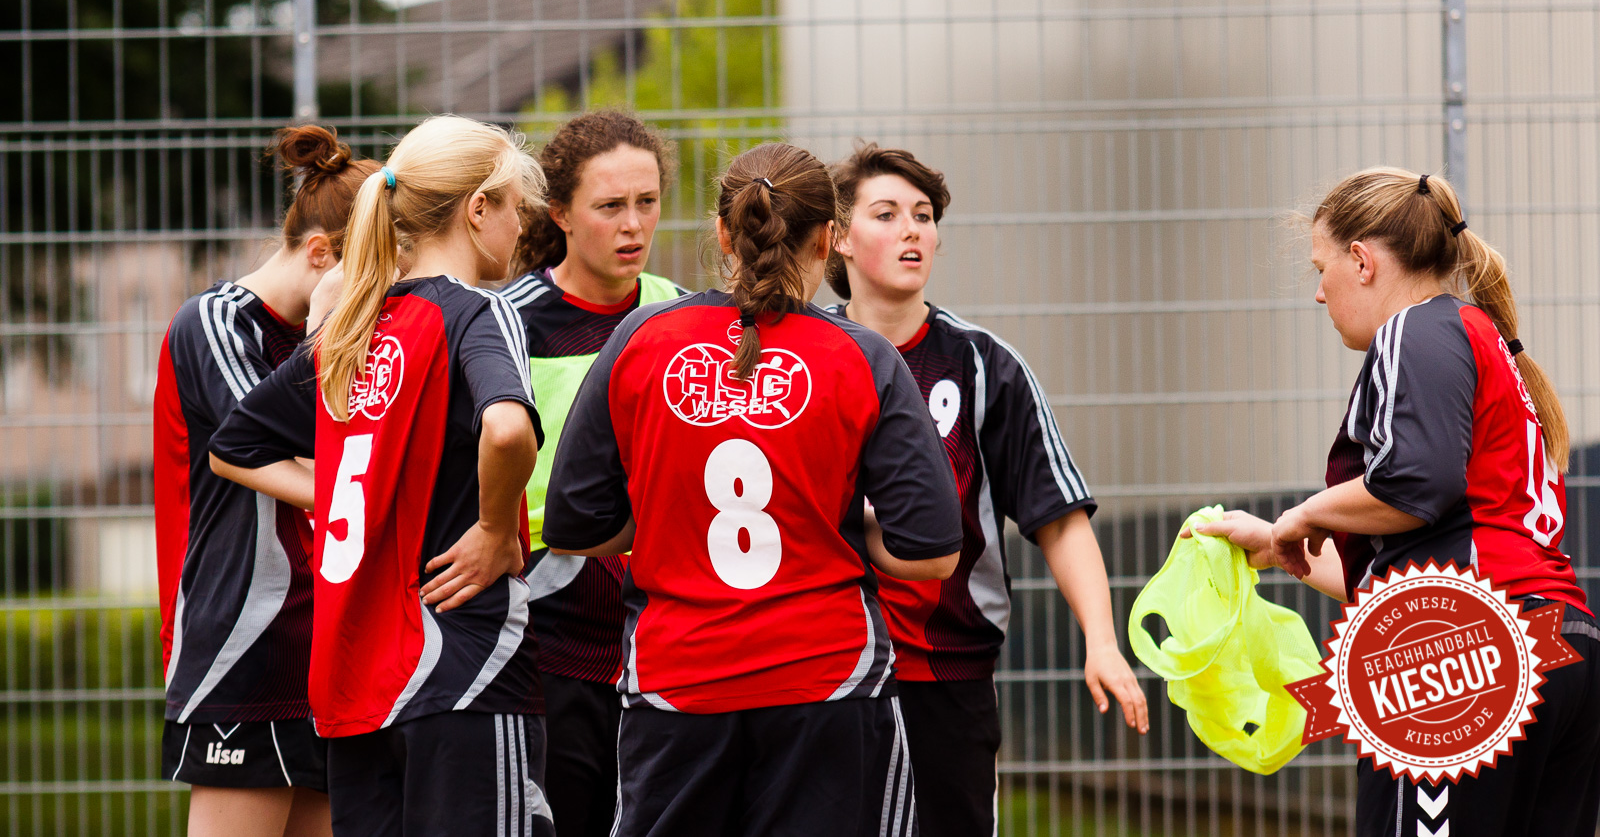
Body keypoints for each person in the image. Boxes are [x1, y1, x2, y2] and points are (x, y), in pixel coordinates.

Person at [542, 142, 963, 837]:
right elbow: (934, 551)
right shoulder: (863, 356)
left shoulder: (642, 338)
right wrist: (839, 524)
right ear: (829, 238)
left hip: (678, 681)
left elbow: (576, 525)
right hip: (825, 682)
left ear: (723, 232)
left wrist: (667, 515)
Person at [1191, 168, 1600, 837]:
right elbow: (1430, 538)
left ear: (1363, 260)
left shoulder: (1414, 329)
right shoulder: (1478, 337)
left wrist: (1308, 511)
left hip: (1466, 656)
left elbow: (1417, 483)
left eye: (1322, 269)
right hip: (1558, 641)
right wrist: (1277, 544)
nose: (1319, 293)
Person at [207, 115, 554, 837]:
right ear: (478, 208)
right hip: (462, 667)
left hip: (353, 681)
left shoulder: (354, 332)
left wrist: (340, 494)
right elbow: (508, 427)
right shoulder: (477, 311)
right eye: (516, 205)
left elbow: (233, 443)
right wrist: (494, 528)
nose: (522, 226)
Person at [826, 141, 1149, 837]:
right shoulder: (800, 356)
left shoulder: (983, 365)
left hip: (946, 670)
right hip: (823, 670)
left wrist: (1102, 637)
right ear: (838, 238)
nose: (913, 229)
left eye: (924, 214)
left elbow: (1058, 517)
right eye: (886, 214)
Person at [154, 124, 377, 837]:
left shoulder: (347, 333)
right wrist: (322, 332)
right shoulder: (216, 321)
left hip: (330, 646)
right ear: (321, 255)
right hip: (244, 650)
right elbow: (269, 440)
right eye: (368, 273)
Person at [499, 109, 685, 837]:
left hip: (671, 638)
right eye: (610, 206)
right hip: (553, 643)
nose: (633, 224)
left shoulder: (685, 316)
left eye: (647, 202)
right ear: (561, 214)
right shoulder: (506, 323)